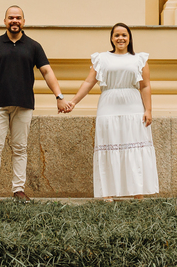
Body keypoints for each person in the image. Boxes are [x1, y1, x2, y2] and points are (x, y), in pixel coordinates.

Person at [0, 5, 70, 201]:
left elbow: (47, 72)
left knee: (20, 148)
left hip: (24, 104)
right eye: (11, 17)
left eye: (18, 18)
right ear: (4, 21)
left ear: (23, 22)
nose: (14, 21)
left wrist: (59, 97)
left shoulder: (33, 46)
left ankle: (18, 189)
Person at [64, 22, 158, 200]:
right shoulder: (101, 58)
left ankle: (137, 193)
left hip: (133, 106)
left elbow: (145, 86)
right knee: (110, 145)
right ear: (112, 38)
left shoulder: (140, 59)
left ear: (129, 38)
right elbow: (88, 82)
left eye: (124, 35)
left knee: (134, 146)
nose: (120, 38)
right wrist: (74, 102)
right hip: (108, 105)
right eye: (117, 35)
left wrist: (148, 110)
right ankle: (108, 193)